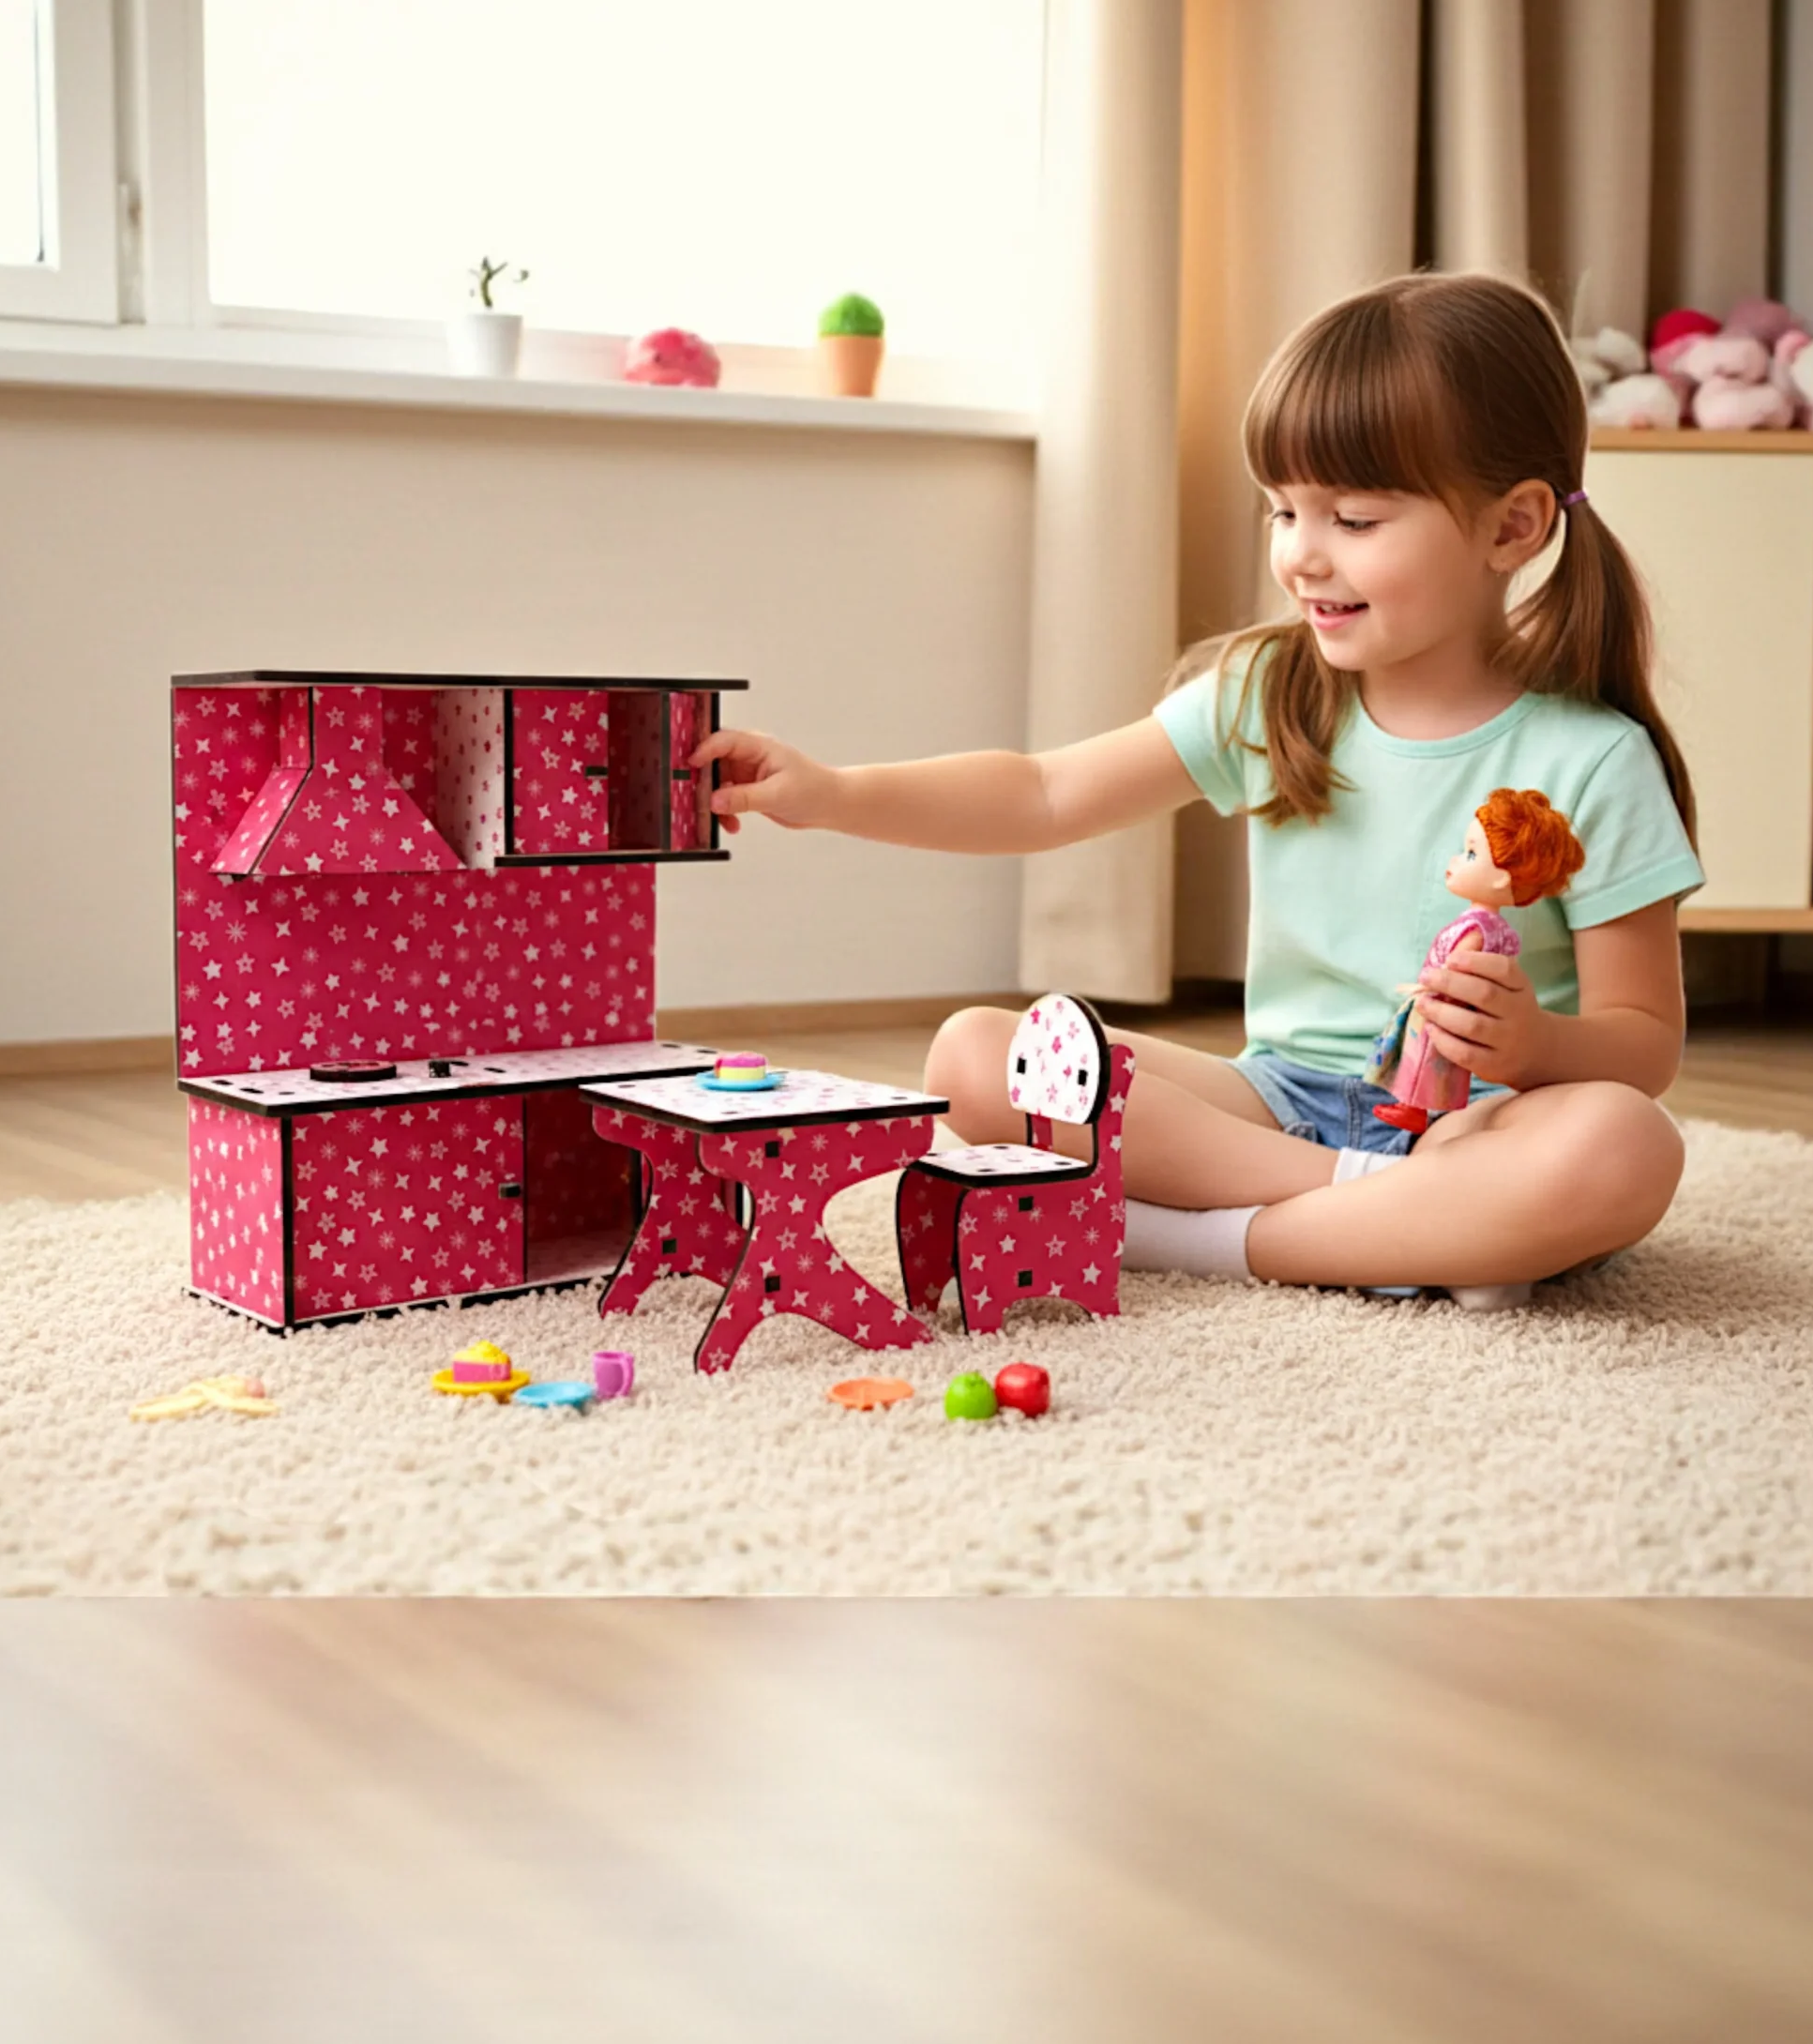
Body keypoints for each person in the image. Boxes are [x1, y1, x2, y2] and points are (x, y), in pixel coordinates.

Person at [687, 269, 1705, 1307]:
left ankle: (1200, 1239)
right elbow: (1043, 793)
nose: (1302, 555)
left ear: (1513, 527)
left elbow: (1641, 1045)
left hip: (1483, 1121)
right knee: (976, 1055)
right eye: (1283, 510)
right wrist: (833, 792)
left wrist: (1536, 1045)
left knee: (1622, 1144)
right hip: (1269, 1106)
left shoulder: (1593, 760)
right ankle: (1393, 1220)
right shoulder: (1270, 695)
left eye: (1353, 518)